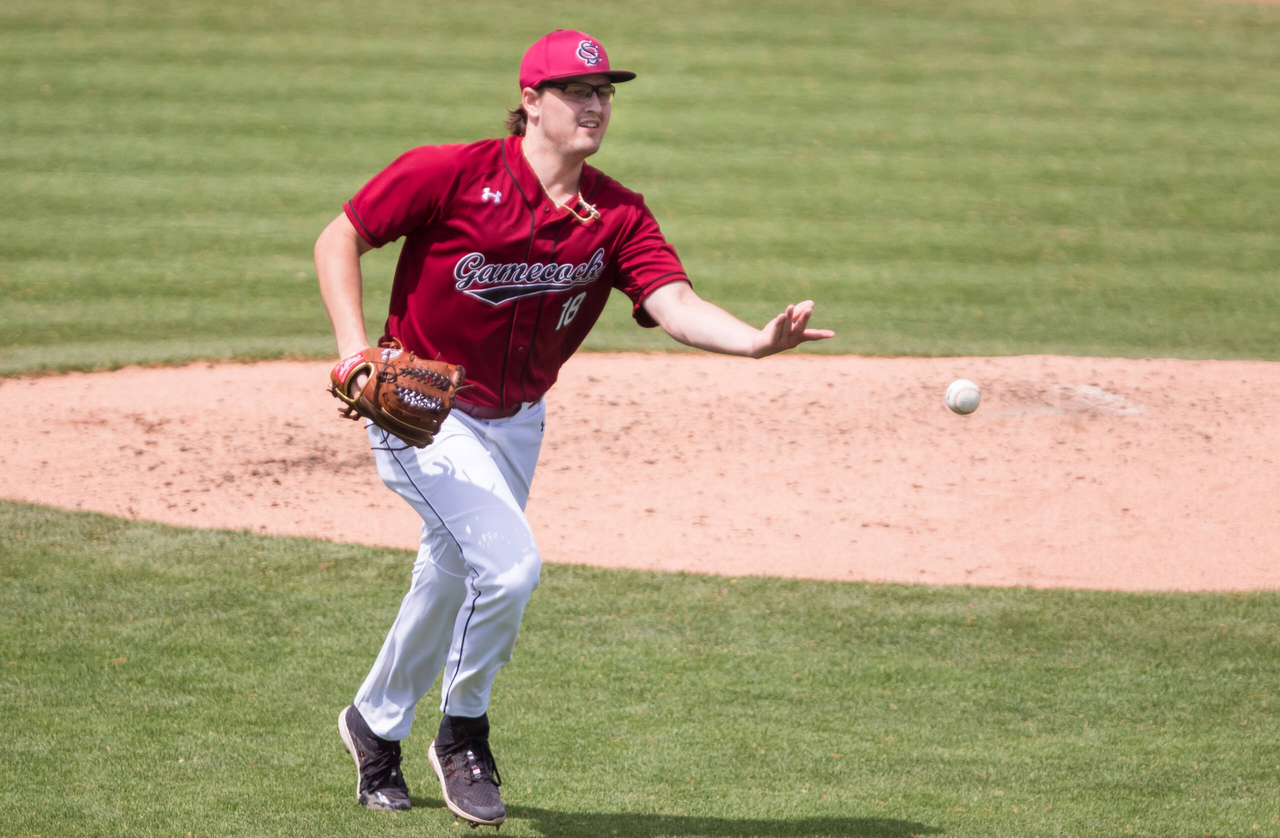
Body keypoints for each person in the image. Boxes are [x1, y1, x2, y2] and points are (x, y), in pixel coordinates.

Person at [314, 28, 834, 828]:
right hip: (421, 415)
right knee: (512, 569)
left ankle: (372, 724)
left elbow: (676, 305)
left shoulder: (616, 214)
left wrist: (758, 342)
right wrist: (354, 350)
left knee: (451, 573)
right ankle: (463, 735)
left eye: (605, 93)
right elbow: (340, 235)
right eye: (577, 92)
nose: (595, 106)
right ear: (530, 101)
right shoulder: (449, 174)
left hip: (517, 421)